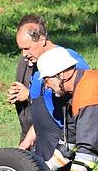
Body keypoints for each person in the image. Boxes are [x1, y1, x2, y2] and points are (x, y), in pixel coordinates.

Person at [6, 15, 89, 160]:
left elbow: (87, 105)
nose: (24, 55)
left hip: (62, 146)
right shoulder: (38, 65)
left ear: (42, 40)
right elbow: (44, 110)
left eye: (27, 48)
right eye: (21, 49)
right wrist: (27, 142)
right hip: (42, 146)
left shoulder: (68, 62)